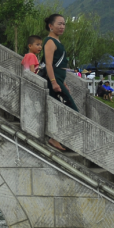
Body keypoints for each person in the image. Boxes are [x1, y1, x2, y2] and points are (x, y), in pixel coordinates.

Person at [42, 13, 77, 151]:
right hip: (54, 79)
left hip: (59, 78)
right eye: (59, 24)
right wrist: (54, 82)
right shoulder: (50, 41)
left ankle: (56, 137)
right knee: (72, 110)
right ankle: (54, 138)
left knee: (60, 108)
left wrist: (63, 82)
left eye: (64, 24)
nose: (62, 26)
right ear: (51, 26)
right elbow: (49, 64)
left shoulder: (57, 41)